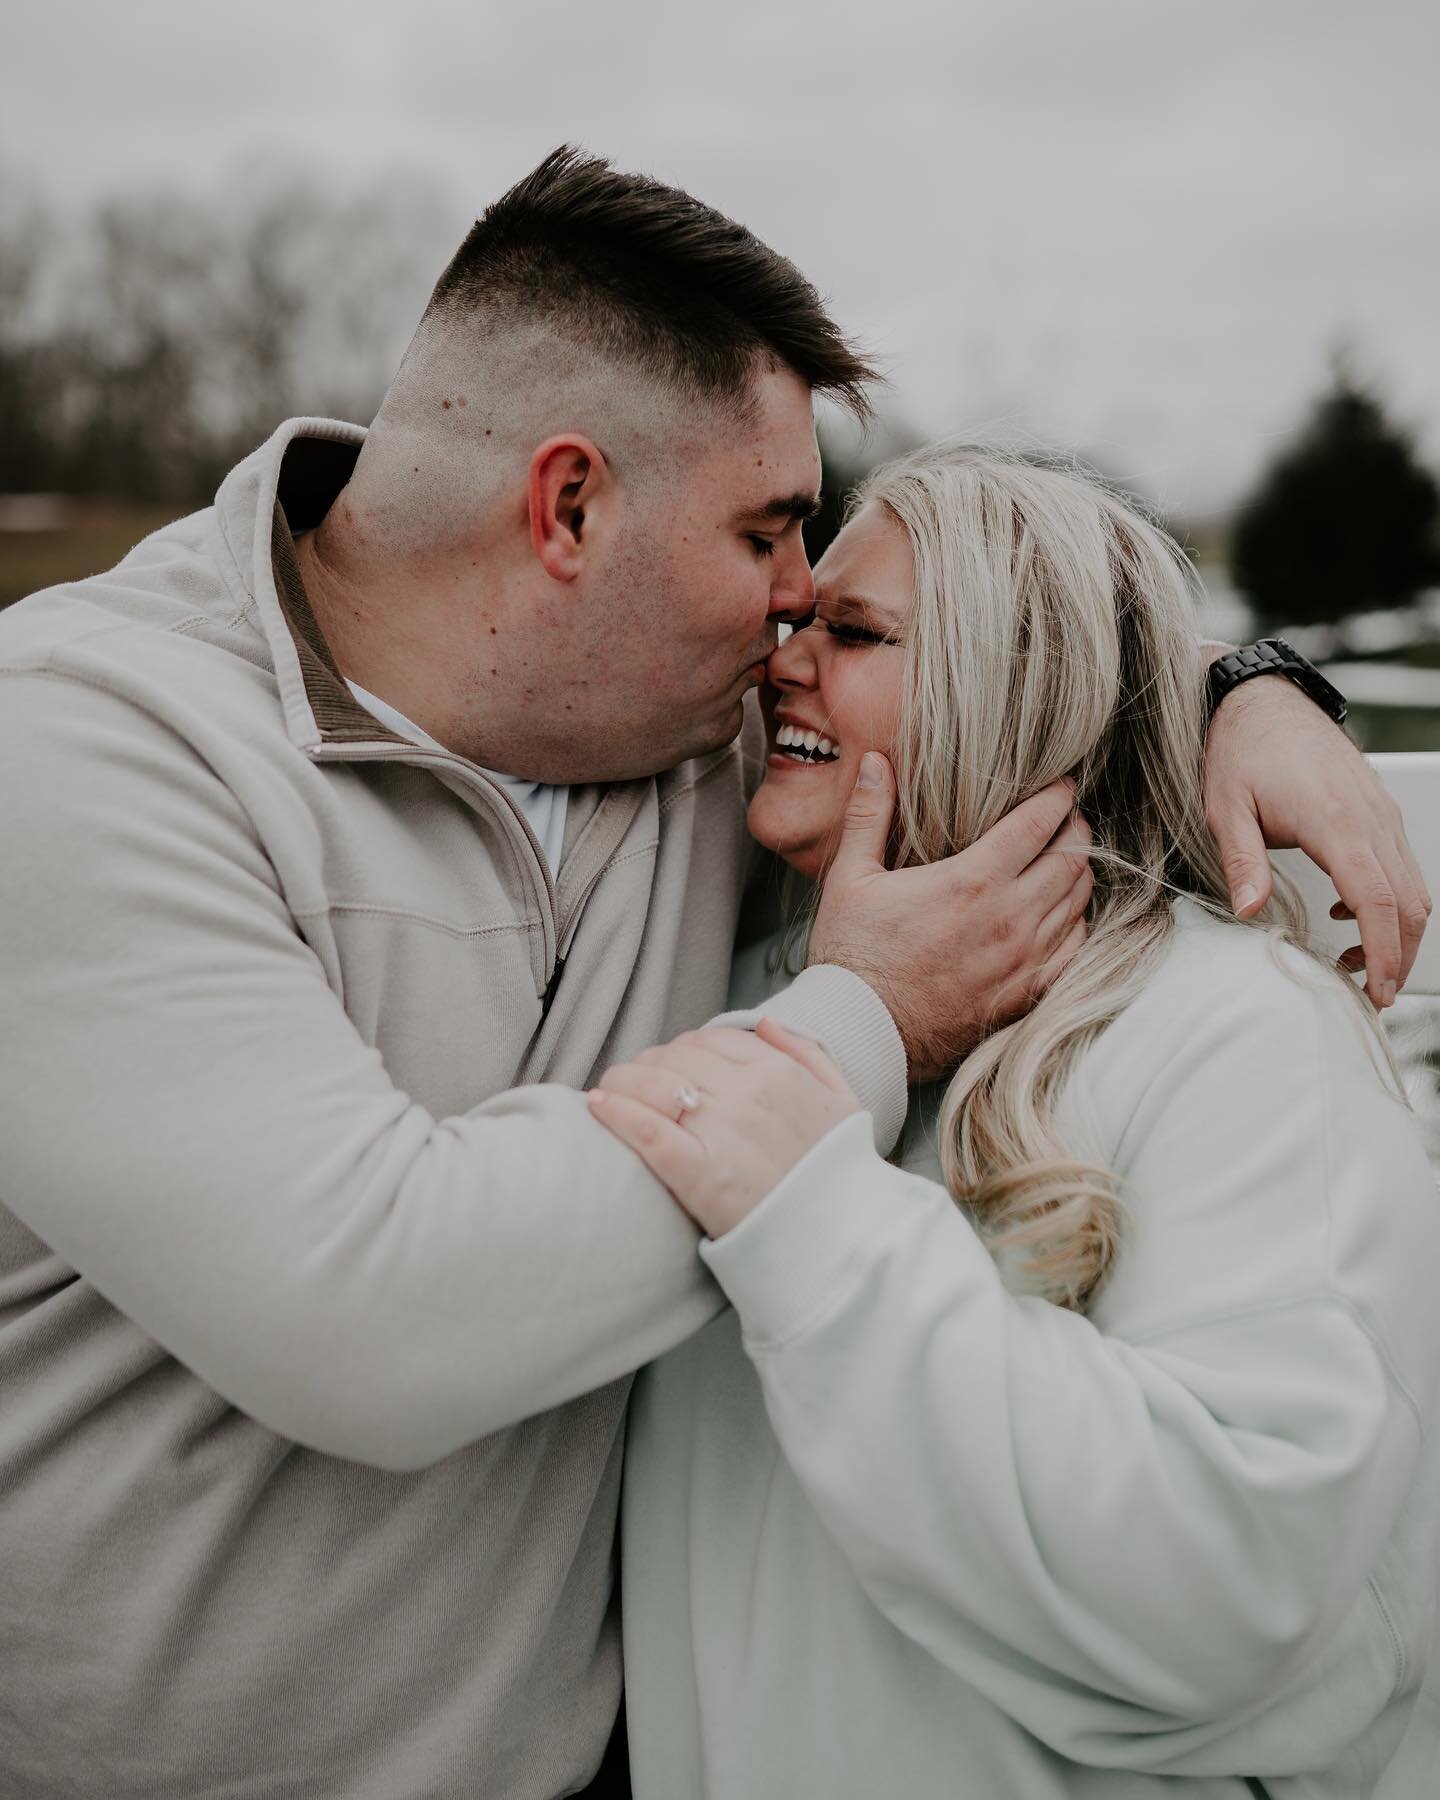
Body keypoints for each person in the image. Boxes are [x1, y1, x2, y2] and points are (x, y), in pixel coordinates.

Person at [0, 146, 1425, 1800]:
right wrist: (864, 1024)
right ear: (571, 507)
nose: (793, 604)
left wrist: (1241, 681)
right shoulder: (80, 754)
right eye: (768, 531)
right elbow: (371, 1317)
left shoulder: (681, 723)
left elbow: (989, 662)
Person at [597, 445, 1440, 1798]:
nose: (786, 660)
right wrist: (1243, 678)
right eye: (793, 620)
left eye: (854, 630)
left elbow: (1233, 1570)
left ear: (1013, 679)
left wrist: (814, 1219)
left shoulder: (1237, 1032)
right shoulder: (746, 985)